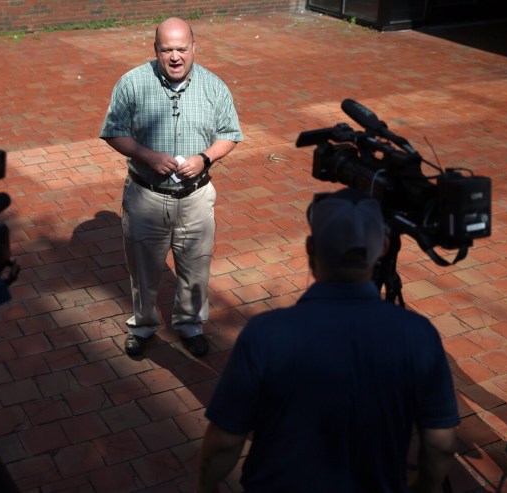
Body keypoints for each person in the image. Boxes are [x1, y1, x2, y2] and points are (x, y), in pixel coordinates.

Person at [198, 188, 460, 492]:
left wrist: (206, 486)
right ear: (384, 247)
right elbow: (441, 443)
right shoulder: (418, 335)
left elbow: (225, 439)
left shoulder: (266, 334)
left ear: (311, 247)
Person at [100, 17, 243, 357]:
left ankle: (190, 325)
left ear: (194, 47)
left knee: (195, 270)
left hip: (195, 197)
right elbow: (113, 131)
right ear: (156, 50)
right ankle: (144, 325)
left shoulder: (214, 86)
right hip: (146, 196)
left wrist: (205, 158)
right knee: (143, 271)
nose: (175, 56)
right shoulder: (132, 83)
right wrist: (147, 156)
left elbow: (230, 134)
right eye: (167, 50)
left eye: (182, 48)